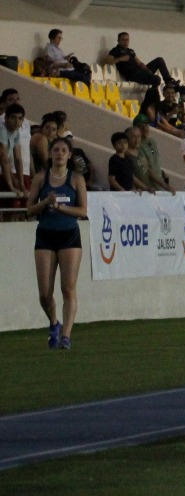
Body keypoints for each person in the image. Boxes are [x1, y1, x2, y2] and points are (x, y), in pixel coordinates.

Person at [27, 136, 88, 349]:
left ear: (69, 155)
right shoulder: (40, 178)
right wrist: (46, 202)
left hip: (69, 235)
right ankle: (54, 322)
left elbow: (83, 211)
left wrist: (60, 207)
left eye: (64, 150)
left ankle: (66, 336)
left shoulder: (76, 179)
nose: (59, 154)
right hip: (45, 235)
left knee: (68, 288)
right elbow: (29, 210)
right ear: (50, 153)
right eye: (56, 150)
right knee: (45, 294)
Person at [105, 31, 175, 88]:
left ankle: (169, 82)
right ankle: (154, 96)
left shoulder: (131, 51)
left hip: (141, 72)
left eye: (127, 39)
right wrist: (120, 59)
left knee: (159, 60)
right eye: (123, 40)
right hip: (132, 75)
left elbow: (139, 63)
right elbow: (107, 61)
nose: (125, 41)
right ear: (118, 40)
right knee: (157, 79)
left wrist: (148, 71)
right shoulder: (115, 50)